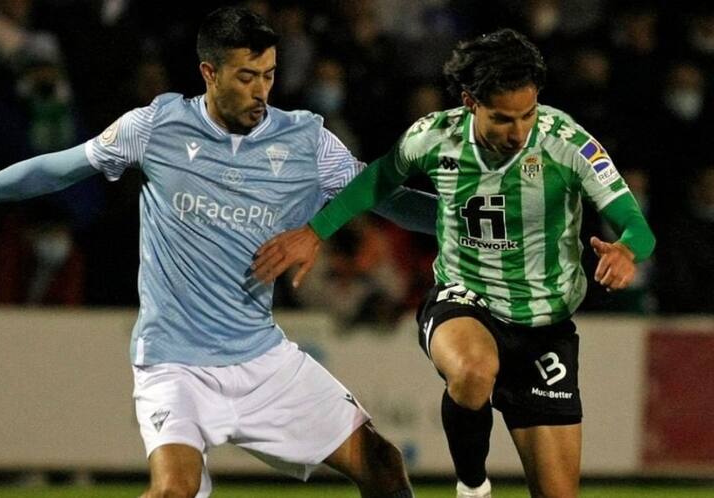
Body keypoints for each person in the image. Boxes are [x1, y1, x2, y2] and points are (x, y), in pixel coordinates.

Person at [0, 7, 433, 498]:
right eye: (246, 77)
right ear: (209, 72)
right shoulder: (156, 126)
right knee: (174, 489)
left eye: (269, 75)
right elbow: (60, 167)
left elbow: (383, 196)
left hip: (262, 356)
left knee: (383, 464)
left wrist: (459, 224)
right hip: (174, 362)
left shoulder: (307, 141)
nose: (261, 91)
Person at [252, 29, 655, 498]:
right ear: (470, 102)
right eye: (502, 118)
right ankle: (472, 486)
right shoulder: (434, 137)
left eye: (527, 115)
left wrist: (627, 250)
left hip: (545, 325)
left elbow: (636, 224)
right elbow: (378, 180)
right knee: (472, 371)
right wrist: (315, 231)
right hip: (465, 297)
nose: (518, 133)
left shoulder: (567, 142)